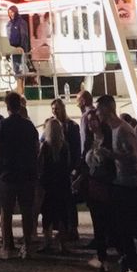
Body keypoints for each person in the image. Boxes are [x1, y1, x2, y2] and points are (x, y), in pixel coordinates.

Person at [95, 94, 137, 272]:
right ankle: (133, 271)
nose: (97, 113)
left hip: (133, 184)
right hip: (121, 182)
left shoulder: (124, 129)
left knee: (132, 227)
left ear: (108, 109)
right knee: (123, 228)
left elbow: (134, 156)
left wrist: (111, 155)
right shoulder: (112, 129)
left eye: (99, 109)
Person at [0, 89, 39, 260]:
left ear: (7, 106)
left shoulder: (2, 126)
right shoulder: (28, 125)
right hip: (27, 173)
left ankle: (7, 247)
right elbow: (36, 150)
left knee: (6, 211)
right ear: (20, 105)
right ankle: (27, 245)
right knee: (27, 210)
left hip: (8, 173)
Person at [84, 108, 115, 272]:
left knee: (113, 226)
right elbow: (84, 161)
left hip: (108, 186)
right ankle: (104, 266)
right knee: (99, 228)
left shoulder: (109, 139)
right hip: (94, 186)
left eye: (94, 120)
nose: (91, 124)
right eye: (89, 121)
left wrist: (107, 155)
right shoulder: (90, 141)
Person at [37, 117, 70, 254]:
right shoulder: (65, 146)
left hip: (48, 184)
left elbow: (40, 165)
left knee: (47, 214)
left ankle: (47, 242)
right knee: (62, 214)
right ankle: (62, 244)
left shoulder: (45, 146)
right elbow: (68, 164)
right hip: (62, 183)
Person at [51, 97, 81, 243]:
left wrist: (75, 168)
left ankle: (73, 228)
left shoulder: (72, 127)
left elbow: (76, 149)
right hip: (56, 169)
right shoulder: (51, 125)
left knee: (70, 200)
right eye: (53, 109)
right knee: (59, 200)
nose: (55, 111)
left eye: (56, 108)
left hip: (68, 168)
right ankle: (61, 228)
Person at [5, 5, 30, 96]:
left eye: (12, 12)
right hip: (13, 50)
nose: (11, 14)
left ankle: (21, 92)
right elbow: (8, 37)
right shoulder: (9, 24)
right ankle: (20, 92)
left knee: (21, 71)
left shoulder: (21, 23)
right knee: (17, 72)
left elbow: (24, 36)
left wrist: (23, 48)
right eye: (9, 12)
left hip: (20, 49)